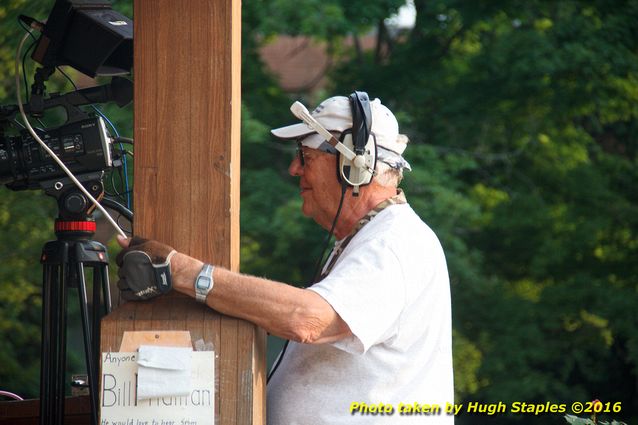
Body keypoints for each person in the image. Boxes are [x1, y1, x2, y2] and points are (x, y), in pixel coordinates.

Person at [116, 93, 454, 424]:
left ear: (354, 165)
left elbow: (308, 319)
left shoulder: (394, 243)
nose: (294, 169)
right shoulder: (377, 237)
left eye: (305, 157)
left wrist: (182, 272)